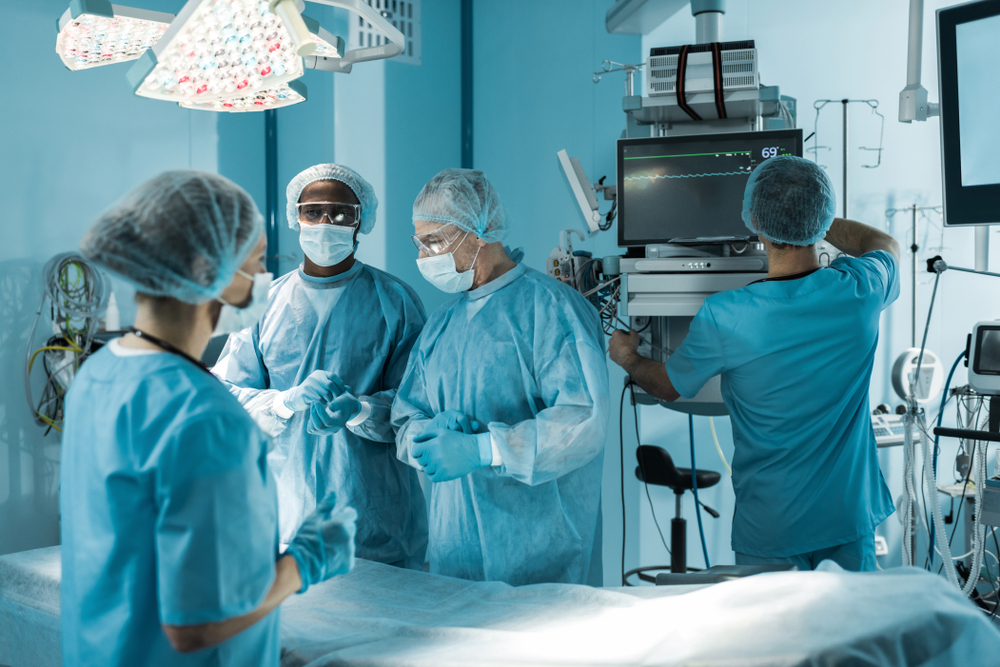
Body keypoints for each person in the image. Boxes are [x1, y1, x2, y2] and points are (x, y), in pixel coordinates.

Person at [61, 170, 356, 667]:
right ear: (204, 270)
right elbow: (197, 625)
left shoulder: (99, 373)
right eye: (258, 261)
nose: (265, 278)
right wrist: (303, 563)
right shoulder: (203, 415)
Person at [608, 155, 900, 572]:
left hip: (773, 528)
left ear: (754, 221)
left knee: (773, 639)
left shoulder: (727, 314)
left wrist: (628, 357)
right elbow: (885, 246)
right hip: (848, 517)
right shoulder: (860, 290)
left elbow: (667, 386)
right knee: (852, 634)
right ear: (822, 217)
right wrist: (816, 217)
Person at [391, 168, 609, 586]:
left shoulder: (551, 309)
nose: (423, 257)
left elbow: (583, 420)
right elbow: (406, 415)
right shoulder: (441, 325)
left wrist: (484, 449)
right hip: (454, 555)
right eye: (419, 243)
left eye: (435, 241)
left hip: (543, 557)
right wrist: (427, 431)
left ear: (481, 232)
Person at [213, 164, 428, 568]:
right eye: (314, 211)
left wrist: (360, 410)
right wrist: (283, 403)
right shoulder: (264, 304)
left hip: (373, 520)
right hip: (281, 514)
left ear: (360, 220)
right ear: (296, 216)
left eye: (341, 212)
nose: (326, 222)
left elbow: (417, 402)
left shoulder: (394, 301)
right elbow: (223, 397)